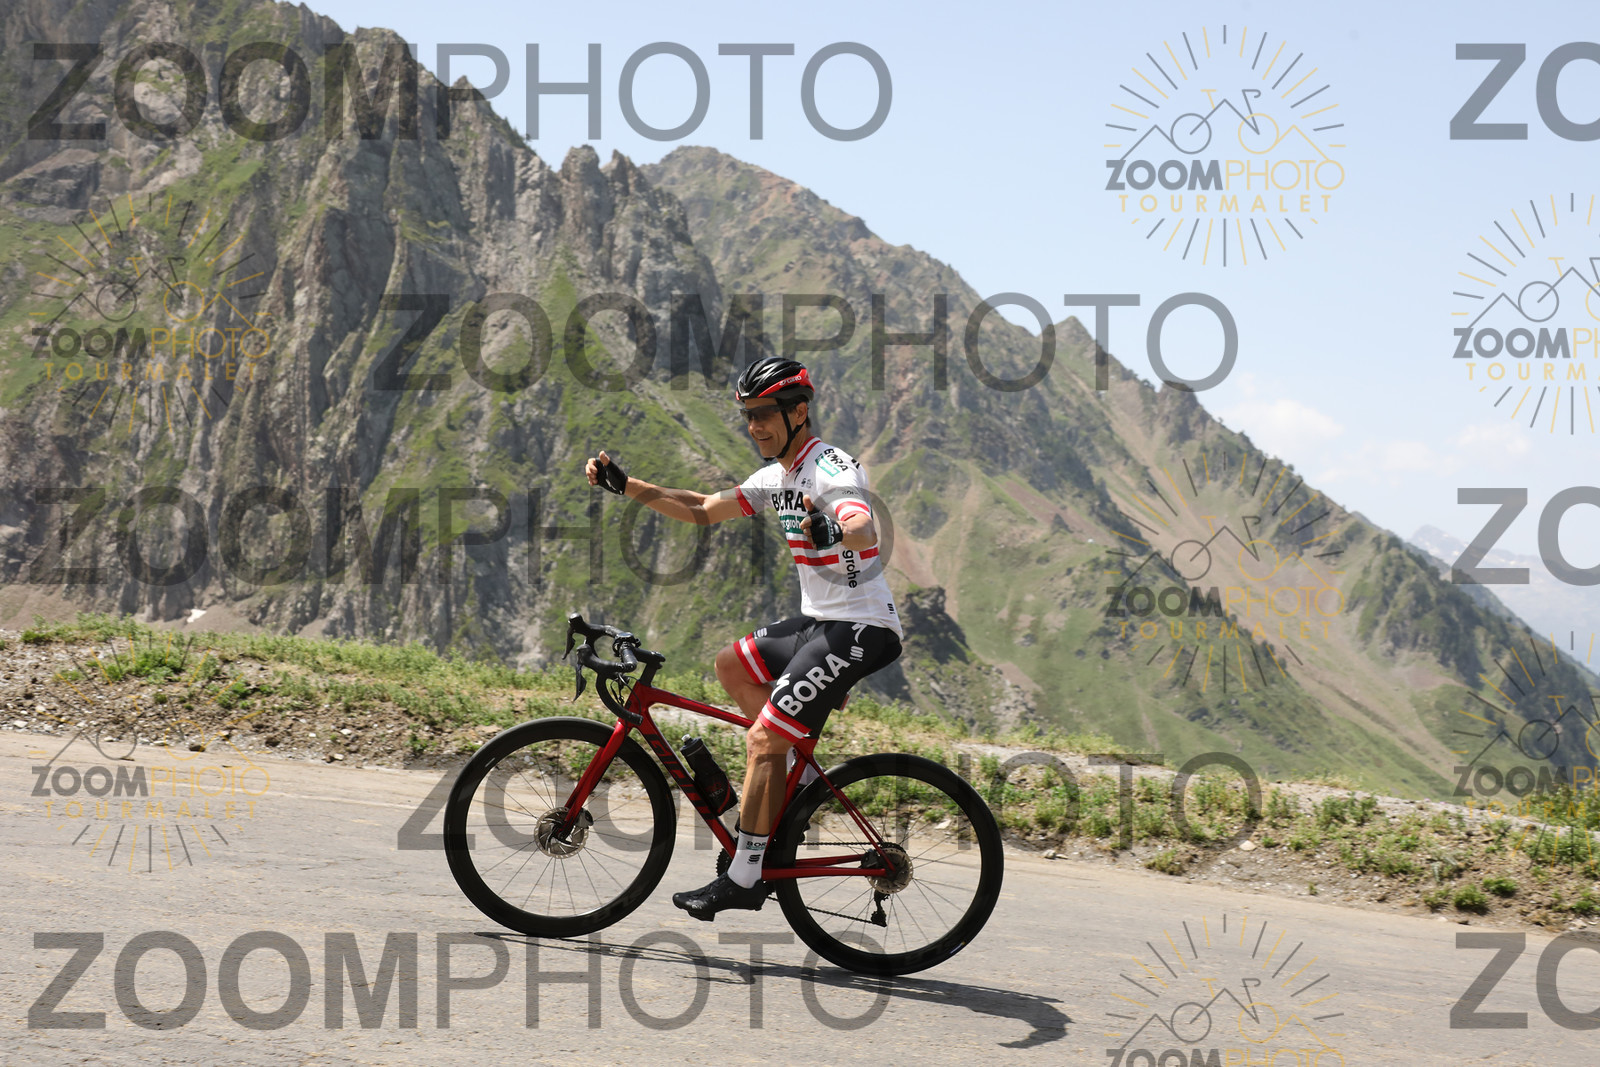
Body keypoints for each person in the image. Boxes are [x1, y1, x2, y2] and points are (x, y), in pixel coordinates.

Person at [583, 356, 903, 919]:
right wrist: (628, 486)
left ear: (798, 413)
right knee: (730, 665)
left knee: (761, 742)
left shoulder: (829, 467)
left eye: (764, 414)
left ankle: (746, 874)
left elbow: (863, 524)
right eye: (748, 415)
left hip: (862, 627)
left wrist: (835, 527)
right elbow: (703, 509)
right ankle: (793, 771)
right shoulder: (777, 478)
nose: (754, 426)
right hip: (820, 621)